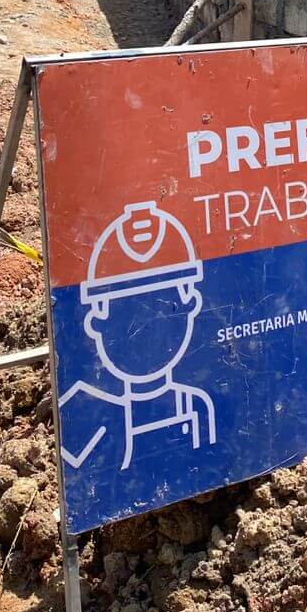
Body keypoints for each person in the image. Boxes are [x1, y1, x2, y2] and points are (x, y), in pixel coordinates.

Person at [58, 201, 216, 473]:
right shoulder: (95, 413)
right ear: (96, 323)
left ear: (189, 306)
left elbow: (209, 462)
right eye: (125, 312)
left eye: (163, 305)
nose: (148, 327)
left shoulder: (194, 404)